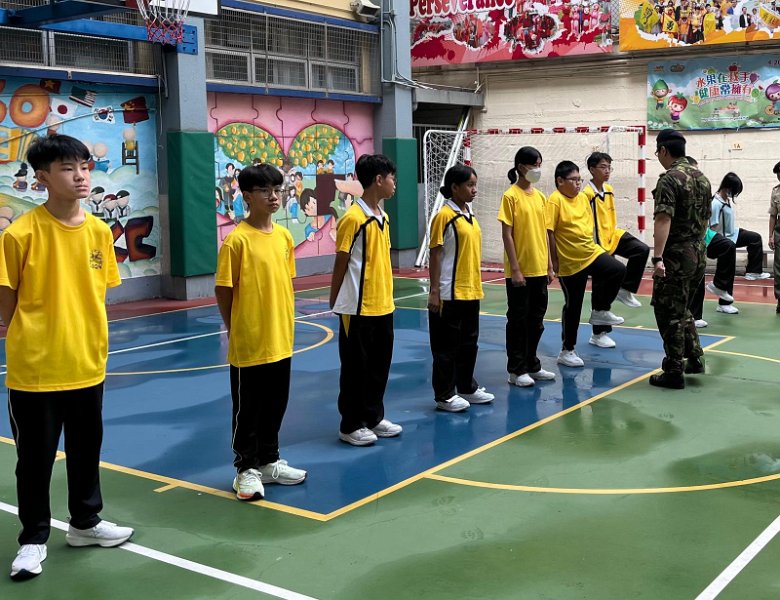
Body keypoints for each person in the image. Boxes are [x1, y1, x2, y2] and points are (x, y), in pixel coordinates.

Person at [0, 135, 133, 581]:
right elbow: (6, 299)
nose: (80, 176)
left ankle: (85, 523)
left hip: (87, 364)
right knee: (34, 460)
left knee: (85, 450)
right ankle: (33, 538)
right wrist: (35, 336)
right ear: (42, 178)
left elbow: (98, 294)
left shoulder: (99, 232)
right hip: (35, 370)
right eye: (67, 168)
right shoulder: (20, 234)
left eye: (84, 167)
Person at [215, 163, 307, 502]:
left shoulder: (284, 237)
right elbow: (224, 290)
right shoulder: (236, 241)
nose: (273, 196)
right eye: (265, 191)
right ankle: (246, 469)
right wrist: (236, 327)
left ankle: (269, 461)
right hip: (250, 342)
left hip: (280, 338)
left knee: (275, 404)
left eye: (277, 190)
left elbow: (285, 283)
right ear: (247, 196)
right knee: (248, 409)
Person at [330, 154, 402, 446]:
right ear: (378, 180)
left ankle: (373, 416)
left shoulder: (383, 217)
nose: (395, 183)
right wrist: (335, 298)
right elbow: (341, 261)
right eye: (392, 178)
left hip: (383, 305)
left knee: (378, 367)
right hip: (358, 308)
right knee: (355, 369)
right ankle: (350, 424)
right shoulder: (353, 218)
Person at [427, 164, 494, 412]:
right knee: (446, 348)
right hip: (449, 292)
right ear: (454, 187)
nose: (474, 190)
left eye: (475, 185)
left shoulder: (469, 215)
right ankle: (444, 395)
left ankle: (466, 387)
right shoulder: (444, 216)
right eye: (469, 185)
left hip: (471, 291)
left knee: (469, 344)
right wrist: (434, 291)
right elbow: (435, 254)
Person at [546, 161, 626, 368]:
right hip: (570, 262)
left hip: (590, 252)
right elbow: (549, 233)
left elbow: (588, 225)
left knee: (617, 270)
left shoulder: (582, 198)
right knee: (574, 305)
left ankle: (600, 311)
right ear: (560, 181)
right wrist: (553, 261)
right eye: (573, 180)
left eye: (579, 180)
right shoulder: (555, 200)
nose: (578, 184)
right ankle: (567, 350)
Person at [650, 129, 711, 389]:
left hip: (676, 255)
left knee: (668, 311)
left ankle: (674, 370)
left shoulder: (669, 179)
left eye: (658, 152)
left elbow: (663, 218)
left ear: (664, 150)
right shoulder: (702, 178)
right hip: (698, 252)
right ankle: (694, 357)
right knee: (683, 307)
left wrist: (657, 257)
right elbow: (706, 219)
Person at [498, 146, 556, 387]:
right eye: (534, 165)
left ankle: (532, 363)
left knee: (536, 321)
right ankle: (516, 369)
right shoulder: (510, 196)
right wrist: (515, 269)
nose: (538, 170)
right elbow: (507, 234)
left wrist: (549, 266)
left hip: (539, 269)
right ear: (522, 167)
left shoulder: (541, 197)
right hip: (520, 271)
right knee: (518, 321)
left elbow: (544, 233)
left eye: (540, 165)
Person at [583, 152, 650, 349]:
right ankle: (599, 333)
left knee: (641, 250)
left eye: (609, 167)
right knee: (601, 285)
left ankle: (626, 289)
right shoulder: (586, 194)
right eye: (603, 167)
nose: (607, 171)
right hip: (597, 243)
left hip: (613, 235)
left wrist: (614, 236)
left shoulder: (609, 189)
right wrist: (596, 247)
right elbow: (588, 223)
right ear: (592, 169)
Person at [710, 172, 771, 281]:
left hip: (733, 233)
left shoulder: (725, 200)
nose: (735, 194)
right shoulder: (715, 204)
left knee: (755, 238)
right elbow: (712, 227)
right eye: (734, 191)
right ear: (727, 187)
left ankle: (753, 272)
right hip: (724, 238)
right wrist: (719, 244)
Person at [769, 161, 780, 314]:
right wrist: (770, 235)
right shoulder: (776, 191)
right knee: (778, 268)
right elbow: (773, 215)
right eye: (778, 174)